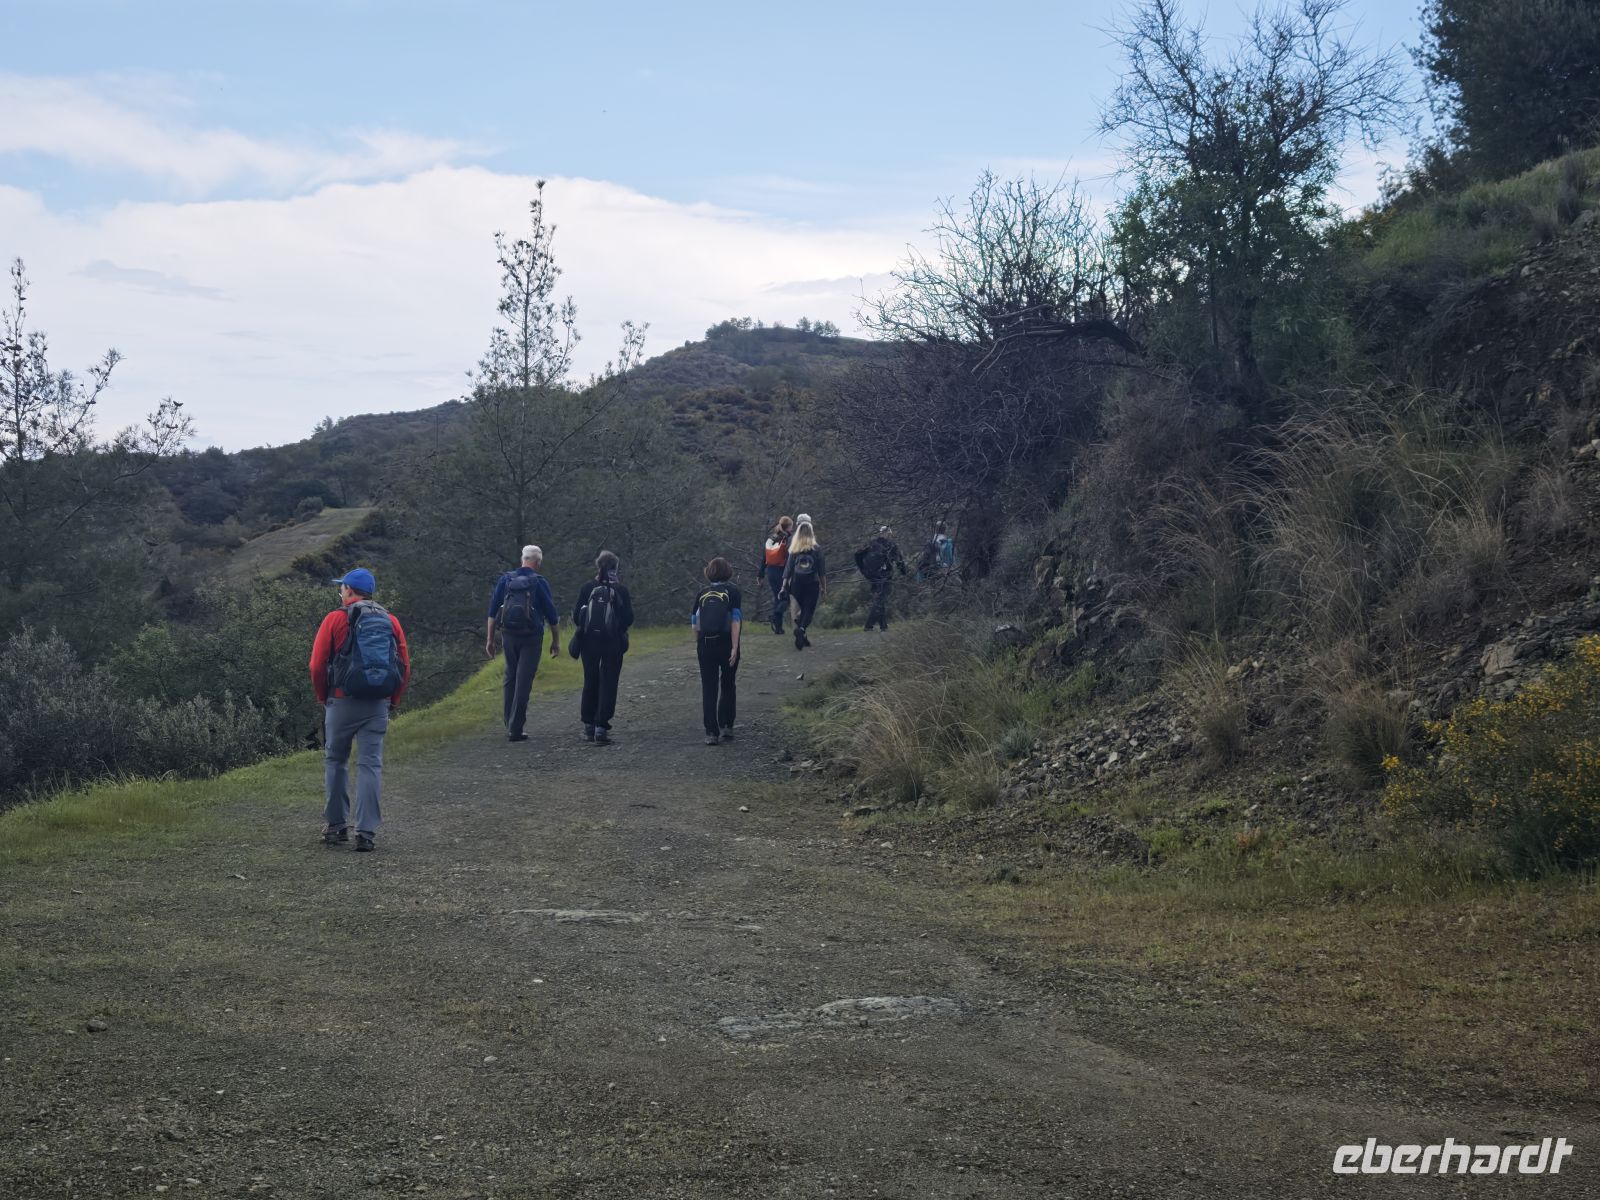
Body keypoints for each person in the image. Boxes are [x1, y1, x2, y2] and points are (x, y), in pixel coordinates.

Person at [309, 567, 411, 853]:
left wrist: (323, 696)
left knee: (336, 761)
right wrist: (394, 699)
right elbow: (404, 666)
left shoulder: (335, 619)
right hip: (378, 703)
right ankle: (365, 833)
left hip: (341, 700)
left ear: (350, 591)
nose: (340, 591)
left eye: (342, 587)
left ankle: (336, 827)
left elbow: (317, 665)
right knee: (370, 764)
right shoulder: (391, 621)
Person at [485, 545, 562, 743]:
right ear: (538, 562)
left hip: (508, 635)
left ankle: (508, 722)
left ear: (522, 559)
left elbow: (493, 612)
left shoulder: (506, 579)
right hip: (531, 637)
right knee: (524, 680)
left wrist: (490, 639)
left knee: (510, 676)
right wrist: (556, 641)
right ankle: (515, 728)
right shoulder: (539, 582)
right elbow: (552, 616)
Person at [571, 550, 634, 744]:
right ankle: (601, 728)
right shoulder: (621, 590)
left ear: (598, 567)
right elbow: (628, 618)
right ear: (615, 568)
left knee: (590, 679)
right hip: (612, 642)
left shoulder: (587, 587)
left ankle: (588, 725)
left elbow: (576, 616)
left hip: (589, 642)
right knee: (609, 682)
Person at [692, 557, 743, 745]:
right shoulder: (734, 593)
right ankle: (727, 725)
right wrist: (735, 647)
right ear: (728, 572)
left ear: (709, 573)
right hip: (727, 643)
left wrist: (699, 644)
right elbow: (735, 620)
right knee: (728, 684)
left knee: (709, 687)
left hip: (706, 645)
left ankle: (711, 732)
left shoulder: (702, 593)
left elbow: (695, 623)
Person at [779, 519, 826, 650]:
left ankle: (801, 635)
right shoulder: (816, 549)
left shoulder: (794, 549)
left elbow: (788, 569)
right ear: (811, 533)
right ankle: (801, 629)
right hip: (812, 584)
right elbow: (822, 571)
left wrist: (783, 587)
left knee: (799, 612)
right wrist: (824, 588)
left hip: (796, 585)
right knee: (808, 611)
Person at [855, 525, 908, 632]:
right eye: (890, 534)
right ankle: (868, 625)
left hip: (871, 575)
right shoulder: (891, 545)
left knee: (879, 599)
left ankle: (883, 626)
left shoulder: (871, 544)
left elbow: (857, 555)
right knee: (880, 599)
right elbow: (899, 561)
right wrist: (904, 573)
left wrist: (863, 570)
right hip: (884, 575)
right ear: (888, 534)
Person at [761, 515, 793, 634]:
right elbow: (791, 557)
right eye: (791, 526)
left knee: (777, 598)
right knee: (786, 597)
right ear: (788, 526)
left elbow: (765, 557)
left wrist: (761, 573)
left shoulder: (772, 537)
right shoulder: (788, 538)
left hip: (770, 571)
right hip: (782, 571)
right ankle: (775, 615)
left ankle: (778, 629)